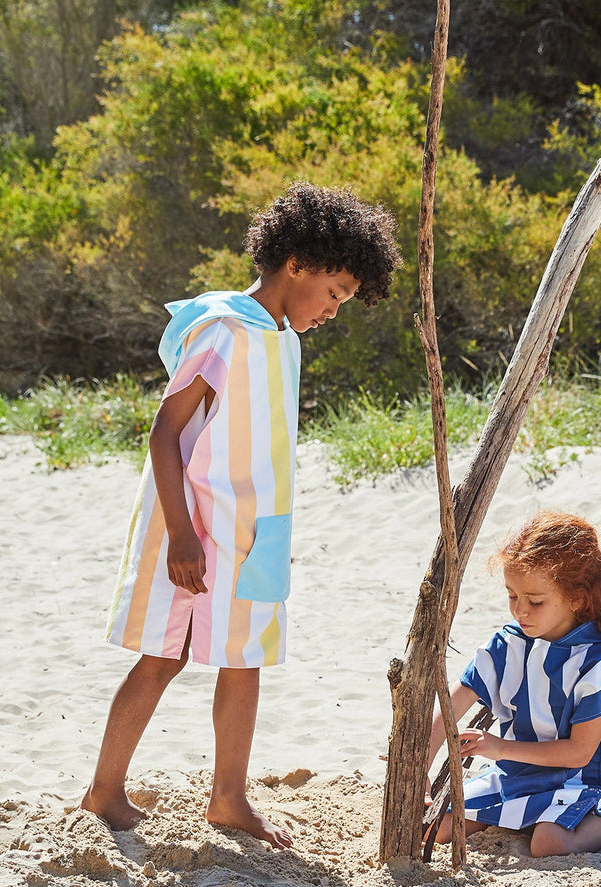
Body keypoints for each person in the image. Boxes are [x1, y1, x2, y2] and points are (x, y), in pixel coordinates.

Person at [81, 182, 402, 847]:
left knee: (244, 660)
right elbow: (164, 435)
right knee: (163, 657)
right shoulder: (225, 330)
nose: (336, 309)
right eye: (336, 292)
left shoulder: (285, 339)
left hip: (258, 534)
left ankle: (229, 798)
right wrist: (178, 535)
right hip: (194, 528)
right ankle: (103, 791)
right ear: (296, 264)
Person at [428, 510, 601, 857]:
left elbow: (578, 753)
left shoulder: (598, 664)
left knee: (549, 843)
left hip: (584, 778)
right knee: (436, 828)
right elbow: (449, 709)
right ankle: (528, 810)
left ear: (576, 599)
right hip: (519, 772)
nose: (520, 611)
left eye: (535, 601)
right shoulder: (507, 646)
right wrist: (420, 770)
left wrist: (499, 748)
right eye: (512, 595)